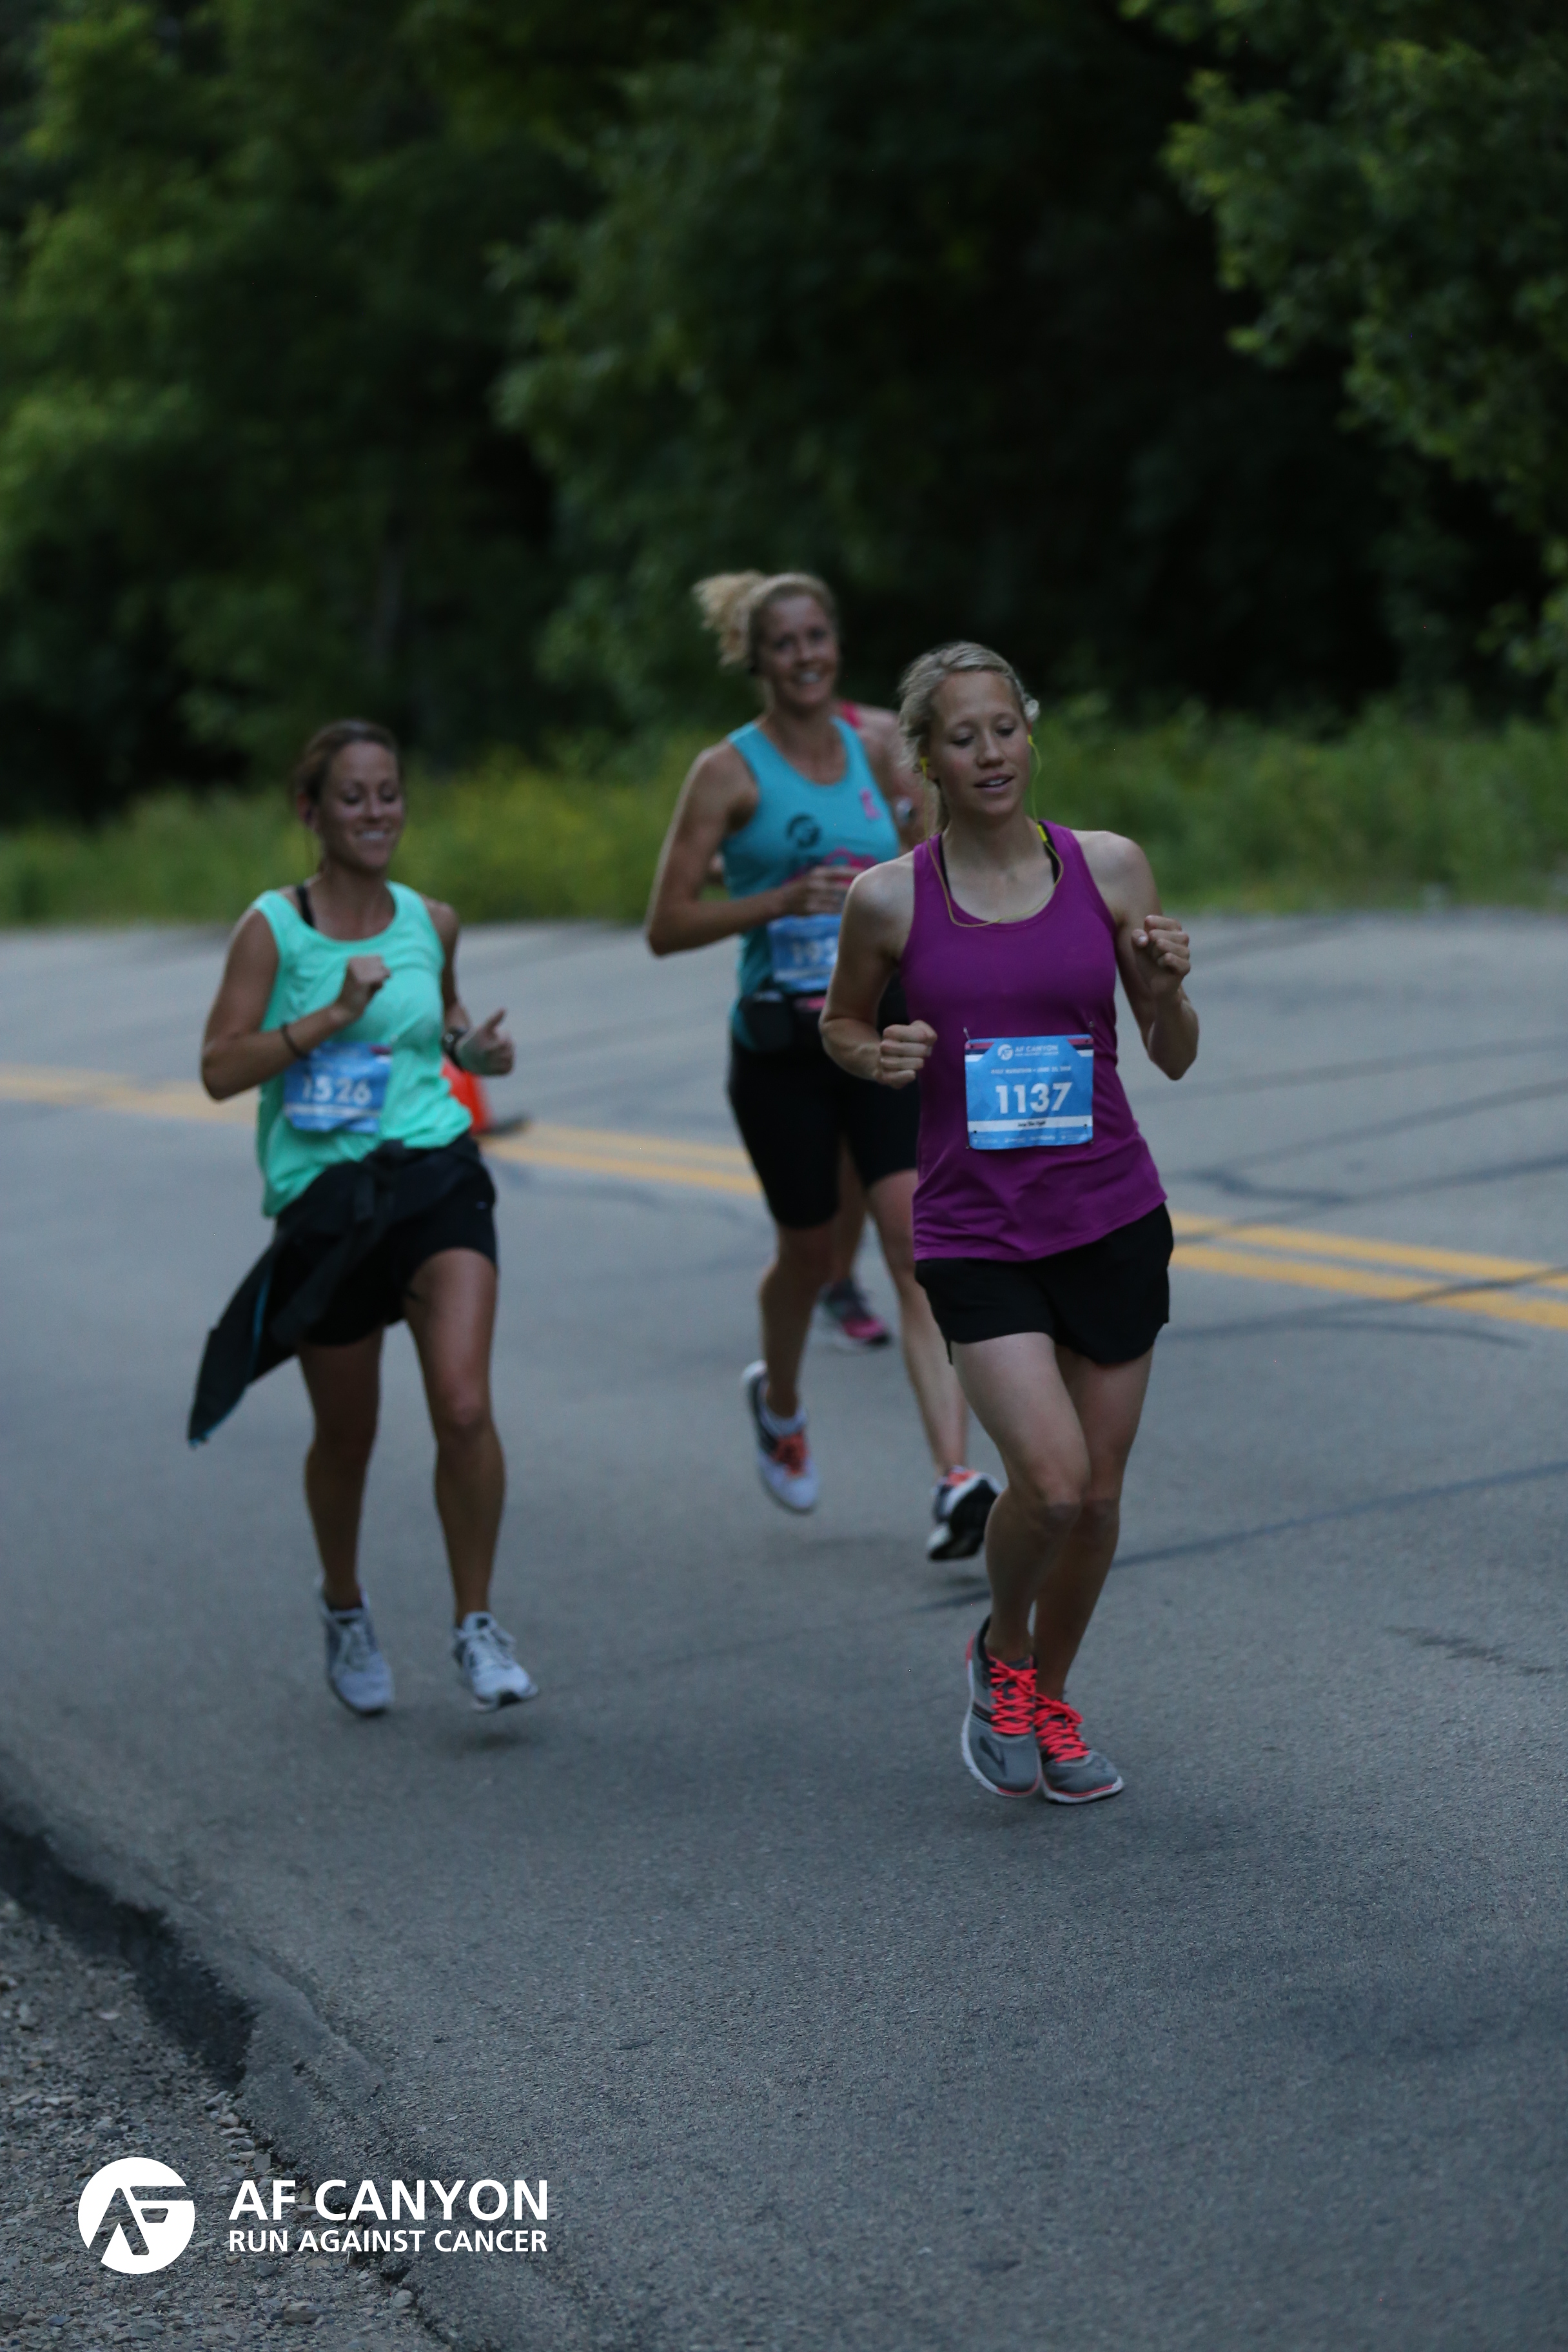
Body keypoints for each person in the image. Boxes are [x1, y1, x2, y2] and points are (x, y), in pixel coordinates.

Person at [821, 643, 1197, 1801]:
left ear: (1031, 735)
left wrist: (1170, 986)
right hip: (977, 1231)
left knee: (1100, 1501)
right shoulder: (890, 898)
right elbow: (841, 1024)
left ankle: (1050, 1695)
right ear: (926, 760)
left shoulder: (1110, 868)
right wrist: (877, 1056)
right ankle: (1003, 1650)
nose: (989, 753)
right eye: (962, 737)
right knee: (1055, 1483)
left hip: (1111, 1215)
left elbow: (1174, 1055)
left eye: (1005, 729)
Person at [645, 571, 997, 1559]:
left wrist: (917, 817)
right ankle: (782, 1402)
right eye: (784, 643)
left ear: (836, 645)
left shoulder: (881, 745)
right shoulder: (727, 772)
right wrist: (780, 901)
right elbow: (666, 924)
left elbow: (934, 873)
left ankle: (955, 1480)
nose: (805, 657)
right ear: (756, 659)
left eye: (817, 638)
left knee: (915, 1252)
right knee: (808, 1257)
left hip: (882, 1032)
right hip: (781, 1048)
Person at [192, 719, 537, 1717]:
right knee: (347, 1438)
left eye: (389, 793)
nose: (376, 812)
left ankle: (476, 1623)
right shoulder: (275, 928)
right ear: (312, 812)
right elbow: (219, 1068)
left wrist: (475, 1051)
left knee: (463, 1406)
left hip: (435, 1174)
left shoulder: (432, 920)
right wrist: (330, 1017)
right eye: (354, 797)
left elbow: (446, 1024)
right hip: (326, 1203)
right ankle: (344, 1604)